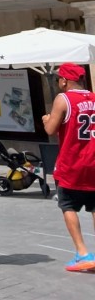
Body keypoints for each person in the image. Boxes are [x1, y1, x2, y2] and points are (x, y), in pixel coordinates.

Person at [42, 62, 95, 272]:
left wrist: (47, 118)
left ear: (64, 81)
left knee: (68, 205)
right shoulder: (93, 97)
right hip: (93, 161)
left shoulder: (63, 99)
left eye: (59, 80)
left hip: (71, 163)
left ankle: (82, 252)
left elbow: (50, 129)